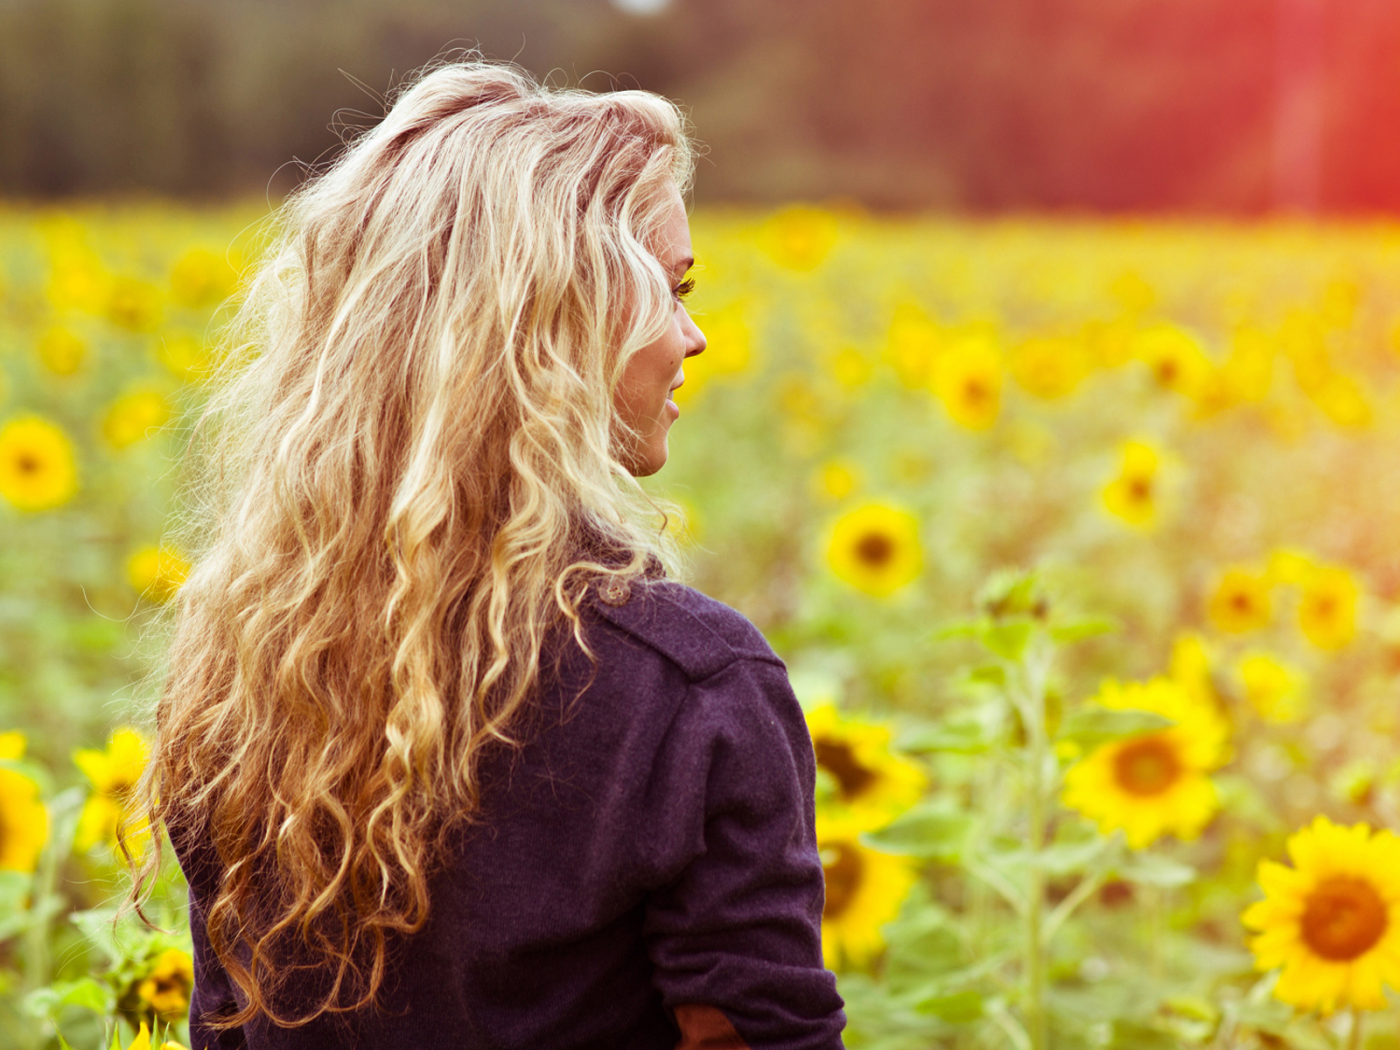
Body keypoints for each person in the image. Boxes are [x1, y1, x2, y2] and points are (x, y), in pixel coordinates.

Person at [129, 58, 846, 1050]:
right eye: (669, 290)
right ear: (550, 322)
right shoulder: (684, 687)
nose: (694, 337)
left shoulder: (243, 663)